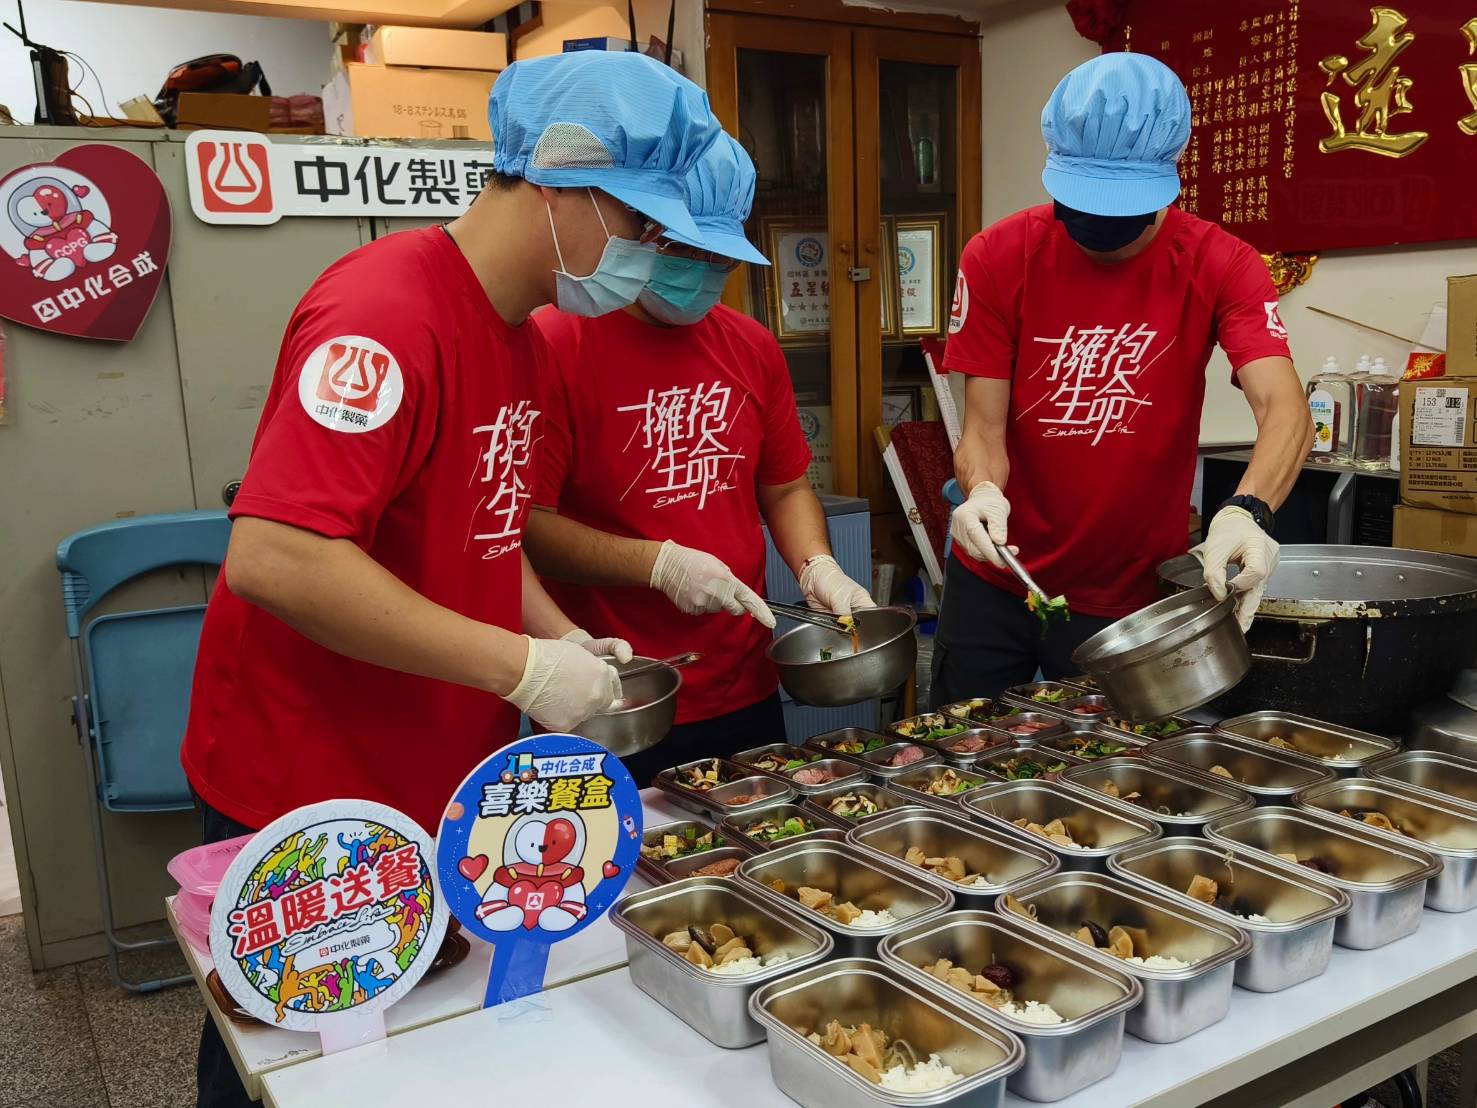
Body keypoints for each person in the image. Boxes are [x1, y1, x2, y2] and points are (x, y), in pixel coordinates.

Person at [183, 52, 722, 1108]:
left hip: (424, 767)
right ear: (562, 181)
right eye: (642, 221)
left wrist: (560, 636)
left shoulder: (522, 339)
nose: (651, 253)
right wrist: (518, 668)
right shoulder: (385, 315)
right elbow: (279, 556)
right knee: (282, 1062)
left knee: (407, 1061)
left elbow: (485, 528)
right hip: (308, 776)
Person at [933, 53, 1312, 705]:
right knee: (955, 744)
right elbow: (982, 430)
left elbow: (1284, 406)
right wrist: (983, 491)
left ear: (1168, 176)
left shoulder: (1222, 263)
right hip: (997, 573)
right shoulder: (997, 255)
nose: (1099, 224)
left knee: (1118, 759)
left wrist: (1247, 510)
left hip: (1129, 594)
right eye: (1083, 200)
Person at [524, 132, 874, 785]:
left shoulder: (750, 346)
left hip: (741, 678)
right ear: (637, 230)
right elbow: (528, 530)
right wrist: (657, 565)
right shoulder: (552, 344)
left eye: (719, 257)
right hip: (613, 688)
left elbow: (784, 487)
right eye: (684, 250)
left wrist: (817, 566)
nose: (702, 270)